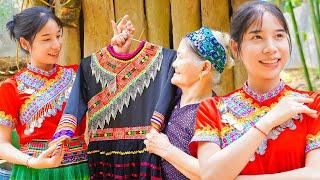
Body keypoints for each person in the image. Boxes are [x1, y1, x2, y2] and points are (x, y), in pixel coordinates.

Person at [189, 1, 320, 179]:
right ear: (236, 48)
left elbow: (315, 174)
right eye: (257, 37)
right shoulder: (211, 110)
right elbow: (211, 175)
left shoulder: (312, 105)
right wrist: (267, 121)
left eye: (279, 36)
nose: (271, 48)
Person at [50, 15, 178, 179]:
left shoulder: (166, 60)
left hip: (147, 151)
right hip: (105, 157)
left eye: (59, 36)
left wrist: (155, 125)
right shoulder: (89, 67)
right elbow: (74, 108)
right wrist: (62, 136)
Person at [0, 7, 89, 179]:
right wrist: (31, 161)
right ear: (25, 43)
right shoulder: (11, 87)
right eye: (47, 39)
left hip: (78, 172)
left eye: (58, 35)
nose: (56, 45)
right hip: (34, 173)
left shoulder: (78, 76)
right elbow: (1, 143)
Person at [142, 27, 234, 179]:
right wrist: (120, 49)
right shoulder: (170, 97)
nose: (174, 64)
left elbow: (215, 174)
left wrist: (166, 149)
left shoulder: (214, 113)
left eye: (181, 57)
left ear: (204, 68)